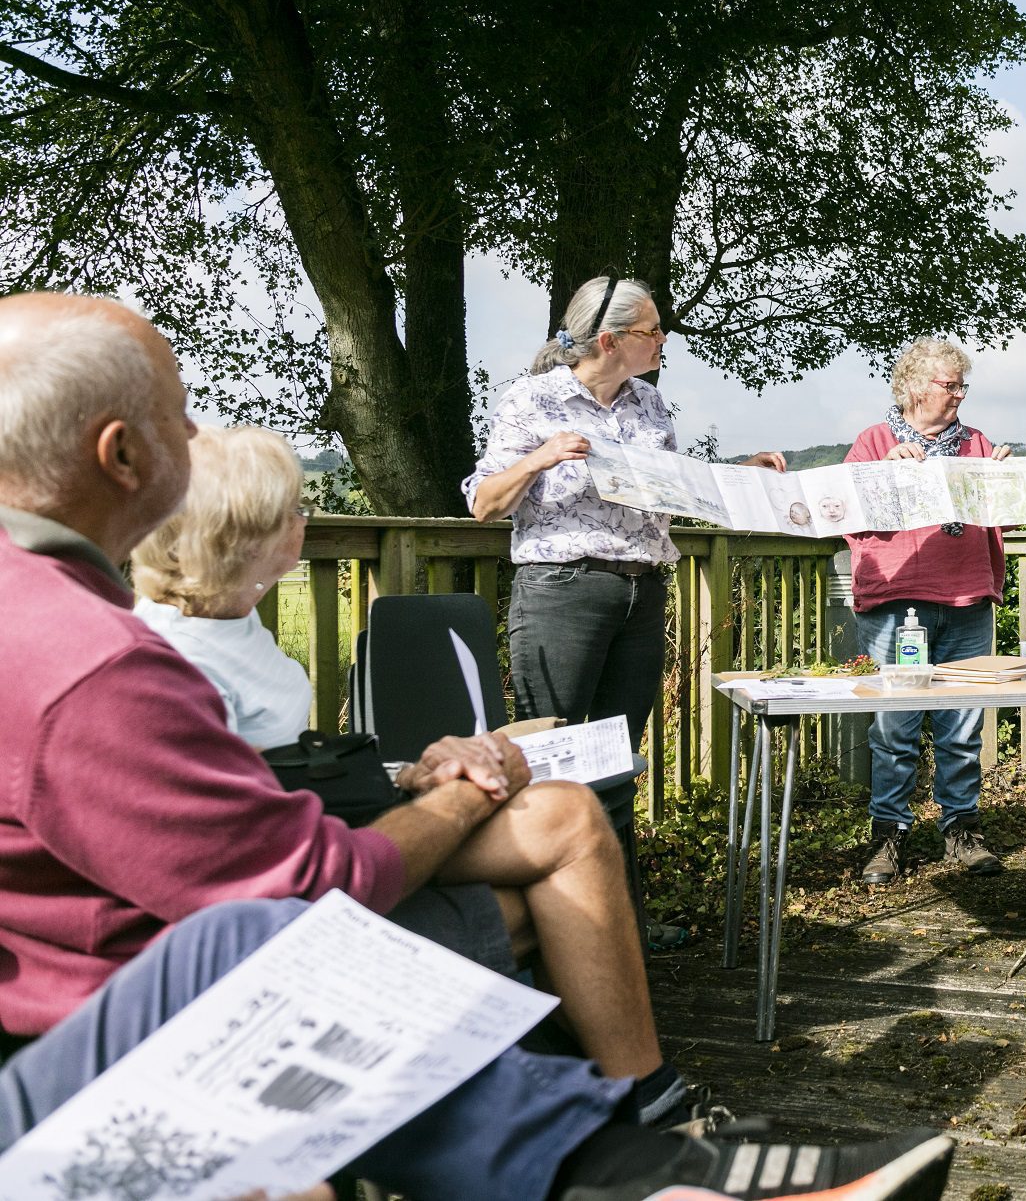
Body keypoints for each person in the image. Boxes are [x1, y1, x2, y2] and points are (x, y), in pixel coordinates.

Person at [0, 293, 677, 1123]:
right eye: (178, 417)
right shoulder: (110, 663)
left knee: (566, 811)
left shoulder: (77, 622)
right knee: (556, 850)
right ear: (122, 456)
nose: (193, 437)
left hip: (246, 908)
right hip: (203, 984)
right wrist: (470, 788)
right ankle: (613, 1124)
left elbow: (264, 813)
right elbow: (305, 882)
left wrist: (422, 772)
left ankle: (619, 1112)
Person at [0, 898, 957, 1201]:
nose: (190, 426)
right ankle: (659, 1171)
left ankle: (651, 1165)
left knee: (244, 940)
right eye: (178, 413)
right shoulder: (80, 649)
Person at [465, 275, 784, 751]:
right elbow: (483, 504)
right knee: (552, 746)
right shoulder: (532, 399)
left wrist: (740, 474)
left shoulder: (649, 402)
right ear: (610, 341)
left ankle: (612, 830)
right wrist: (540, 457)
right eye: (651, 331)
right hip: (563, 591)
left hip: (644, 590)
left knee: (618, 749)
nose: (663, 339)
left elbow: (676, 488)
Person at [845, 338, 1011, 885]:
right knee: (895, 727)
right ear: (915, 387)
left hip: (967, 598)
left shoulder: (977, 444)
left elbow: (1001, 522)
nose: (960, 395)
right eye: (950, 385)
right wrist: (880, 476)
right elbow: (845, 512)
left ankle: (961, 830)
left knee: (961, 724)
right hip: (898, 600)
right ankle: (888, 835)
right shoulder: (874, 441)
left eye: (963, 386)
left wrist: (1004, 484)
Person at [128, 426, 312, 749]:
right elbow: (217, 795)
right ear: (249, 540)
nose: (305, 521)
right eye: (296, 510)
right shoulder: (181, 664)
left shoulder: (226, 609)